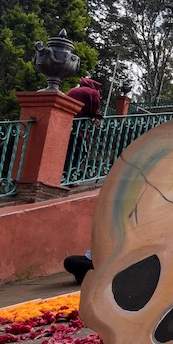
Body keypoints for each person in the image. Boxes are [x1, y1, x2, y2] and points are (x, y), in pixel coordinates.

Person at [63, 77, 103, 284]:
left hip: (66, 126)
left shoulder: (75, 89)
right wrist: (96, 117)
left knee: (69, 154)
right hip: (78, 131)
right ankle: (73, 179)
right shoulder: (92, 93)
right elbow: (95, 110)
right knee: (78, 154)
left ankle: (67, 177)